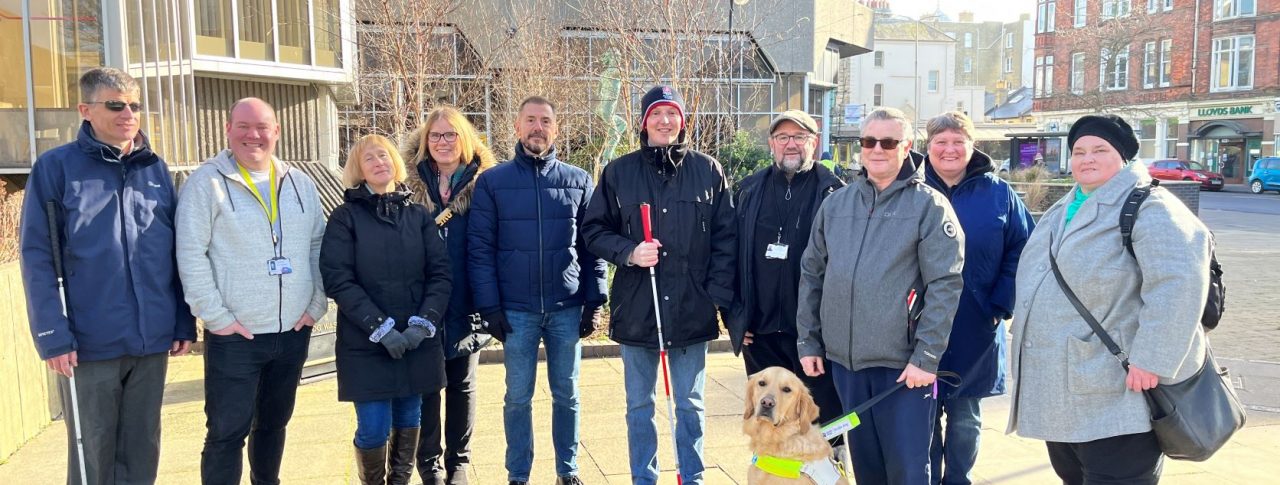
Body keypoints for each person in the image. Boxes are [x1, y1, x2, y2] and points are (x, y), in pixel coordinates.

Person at [1007, 114, 1211, 485]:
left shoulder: (1150, 207)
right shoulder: (1065, 207)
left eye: (1100, 149)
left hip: (1118, 387)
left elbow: (1178, 285)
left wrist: (1153, 360)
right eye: (1079, 151)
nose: (1087, 158)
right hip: (1063, 387)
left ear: (1124, 156)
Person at [19, 67, 195, 485]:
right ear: (85, 109)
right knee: (92, 455)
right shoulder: (55, 168)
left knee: (142, 449)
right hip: (87, 342)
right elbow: (37, 255)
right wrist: (51, 336)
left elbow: (174, 253)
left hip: (151, 339)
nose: (128, 113)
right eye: (115, 104)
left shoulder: (155, 169)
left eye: (134, 105)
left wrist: (183, 320)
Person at [796, 106, 964, 485]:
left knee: (906, 470)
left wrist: (926, 356)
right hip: (847, 366)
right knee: (867, 468)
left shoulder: (929, 207)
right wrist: (809, 341)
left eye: (888, 142)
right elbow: (812, 274)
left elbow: (945, 284)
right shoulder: (837, 204)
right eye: (869, 141)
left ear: (906, 147)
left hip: (904, 371)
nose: (877, 149)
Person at [583, 85, 736, 485]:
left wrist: (713, 296)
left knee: (689, 404)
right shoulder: (619, 172)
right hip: (638, 309)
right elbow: (594, 231)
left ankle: (693, 476)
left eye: (672, 113)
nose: (665, 121)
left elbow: (726, 239)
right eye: (656, 113)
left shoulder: (708, 171)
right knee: (639, 406)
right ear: (644, 120)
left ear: (683, 121)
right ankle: (644, 478)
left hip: (691, 309)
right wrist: (630, 252)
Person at [176, 97, 329, 485]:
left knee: (273, 426)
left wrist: (316, 303)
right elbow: (190, 253)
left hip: (293, 331)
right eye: (243, 126)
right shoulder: (206, 183)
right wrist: (216, 317)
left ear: (276, 132)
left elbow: (317, 245)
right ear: (228, 130)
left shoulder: (300, 183)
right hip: (235, 336)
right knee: (227, 433)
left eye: (262, 127)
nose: (253, 135)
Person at [467, 96, 607, 485]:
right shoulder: (492, 183)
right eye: (530, 120)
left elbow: (592, 246)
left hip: (566, 307)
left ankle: (569, 470)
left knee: (568, 395)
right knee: (517, 398)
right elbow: (480, 249)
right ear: (517, 127)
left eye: (545, 121)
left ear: (555, 128)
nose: (537, 128)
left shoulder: (578, 180)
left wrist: (595, 301)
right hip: (516, 311)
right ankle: (518, 475)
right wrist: (489, 306)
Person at [320, 134, 452, 485]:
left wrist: (421, 325)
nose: (379, 162)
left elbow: (440, 275)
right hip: (366, 345)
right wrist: (380, 327)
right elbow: (338, 279)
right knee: (374, 428)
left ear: (395, 161)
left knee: (410, 419)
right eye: (369, 159)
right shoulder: (345, 218)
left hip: (414, 342)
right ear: (359, 171)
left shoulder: (419, 216)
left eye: (384, 155)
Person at [921, 112, 1035, 485]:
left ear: (972, 147)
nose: (950, 149)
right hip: (919, 323)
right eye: (941, 142)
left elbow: (1024, 248)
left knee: (965, 415)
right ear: (928, 147)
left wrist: (1000, 304)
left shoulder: (998, 193)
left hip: (977, 322)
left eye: (958, 142)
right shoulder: (913, 188)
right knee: (920, 412)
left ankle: (958, 480)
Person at [725, 110, 845, 447]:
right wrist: (735, 317)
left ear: (814, 142)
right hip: (759, 335)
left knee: (822, 423)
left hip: (812, 336)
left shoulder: (835, 194)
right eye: (782, 137)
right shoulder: (748, 191)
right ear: (771, 144)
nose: (790, 144)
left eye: (799, 137)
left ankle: (830, 475)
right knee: (768, 423)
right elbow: (728, 257)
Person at [401, 106, 497, 485]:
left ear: (465, 139)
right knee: (426, 385)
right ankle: (430, 464)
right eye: (436, 136)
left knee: (462, 383)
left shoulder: (488, 184)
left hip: (466, 298)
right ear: (426, 142)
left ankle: (459, 463)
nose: (443, 142)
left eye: (451, 135)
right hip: (420, 300)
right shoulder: (405, 182)